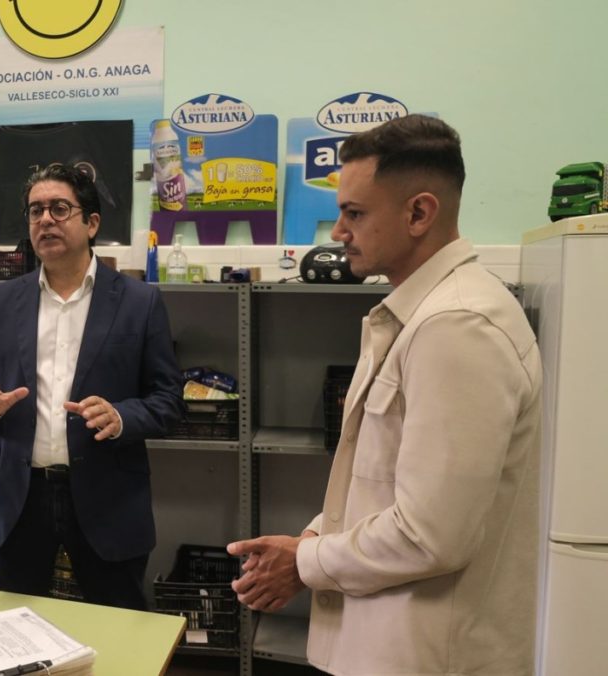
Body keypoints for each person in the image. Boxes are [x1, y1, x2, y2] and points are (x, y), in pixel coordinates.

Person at [228, 115, 542, 675]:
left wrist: (304, 561)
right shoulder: (416, 313)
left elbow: (430, 535)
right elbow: (375, 481)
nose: (339, 232)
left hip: (426, 656)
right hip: (384, 644)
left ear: (419, 213)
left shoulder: (458, 326)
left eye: (354, 213)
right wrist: (312, 537)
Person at [0, 164, 184, 610]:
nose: (45, 220)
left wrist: (121, 417)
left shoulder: (139, 302)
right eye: (36, 210)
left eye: (60, 208)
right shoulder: (0, 301)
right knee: (12, 632)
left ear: (91, 223)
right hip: (17, 500)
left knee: (121, 635)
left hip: (107, 498)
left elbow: (167, 401)